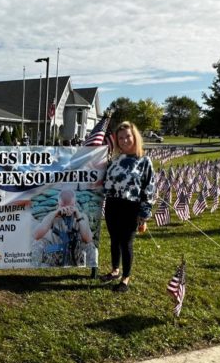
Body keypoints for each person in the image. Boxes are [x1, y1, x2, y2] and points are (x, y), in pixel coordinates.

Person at [99, 121, 155, 293]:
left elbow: (149, 188)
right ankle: (115, 271)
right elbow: (105, 183)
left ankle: (125, 278)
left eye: (128, 137)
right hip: (112, 205)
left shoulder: (144, 161)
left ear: (135, 137)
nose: (124, 140)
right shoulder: (114, 160)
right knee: (114, 240)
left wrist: (144, 214)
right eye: (121, 138)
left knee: (126, 243)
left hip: (131, 207)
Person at [31, 189, 95, 267]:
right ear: (59, 204)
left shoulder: (81, 216)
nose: (67, 210)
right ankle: (36, 270)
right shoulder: (53, 216)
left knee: (90, 246)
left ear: (75, 204)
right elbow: (36, 235)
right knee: (37, 243)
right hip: (57, 254)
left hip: (75, 254)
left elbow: (88, 239)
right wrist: (55, 214)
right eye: (63, 206)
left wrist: (78, 216)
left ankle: (92, 273)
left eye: (70, 206)